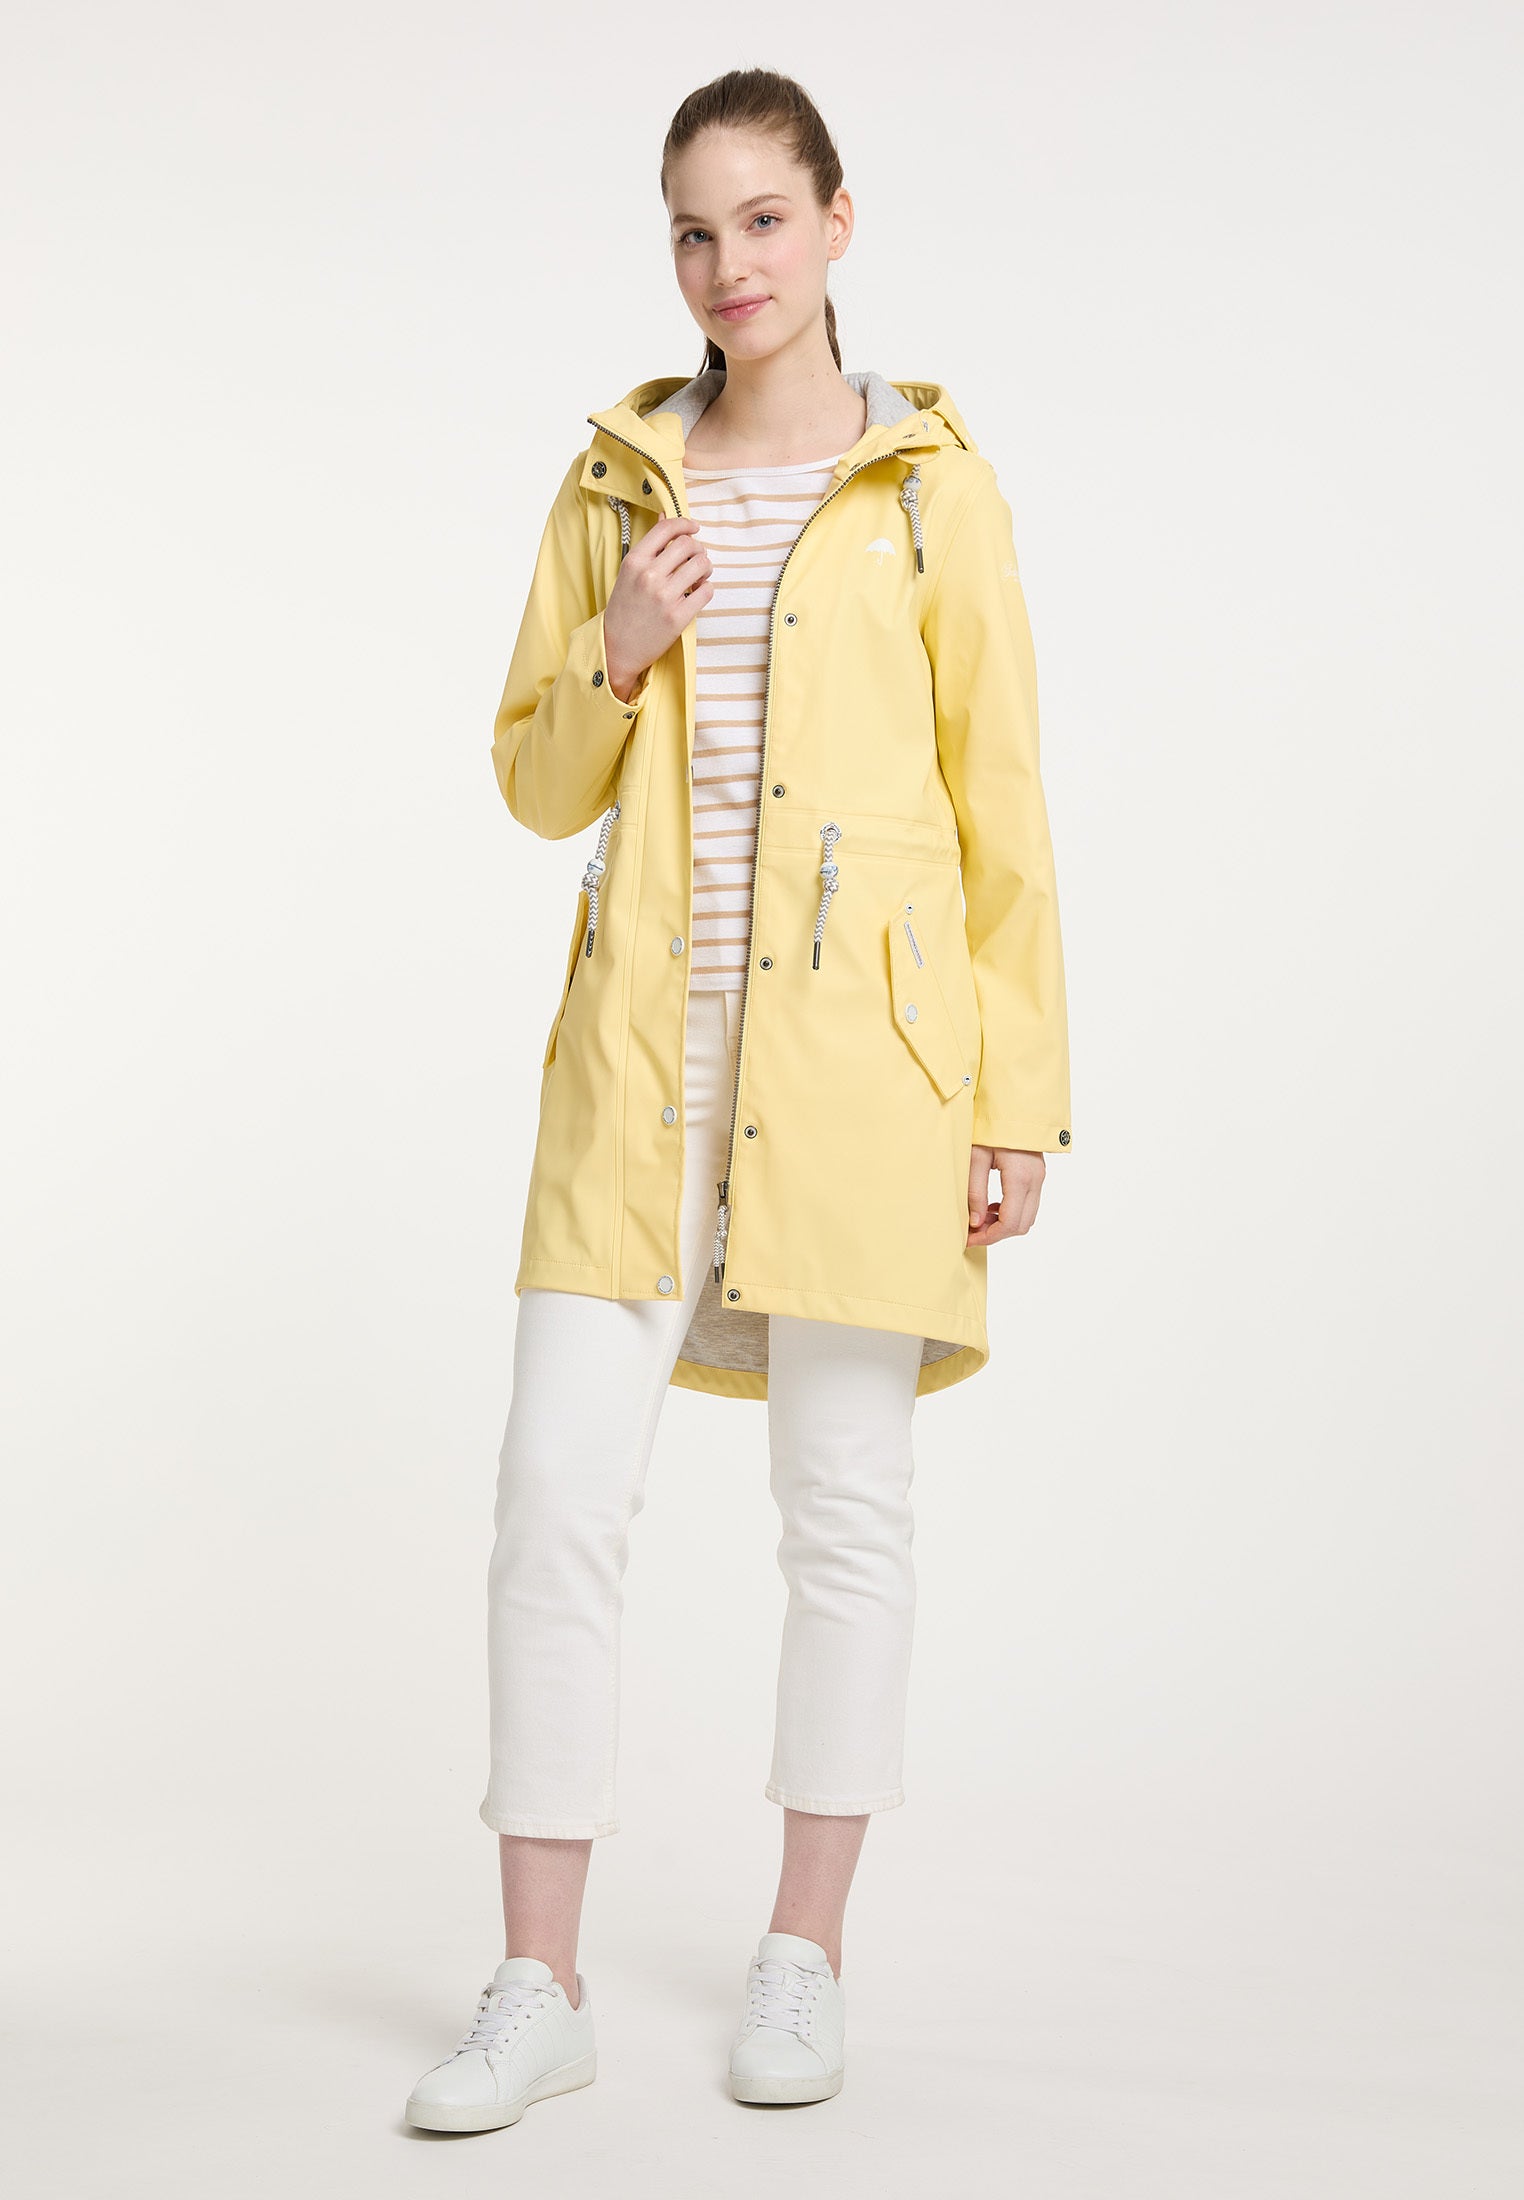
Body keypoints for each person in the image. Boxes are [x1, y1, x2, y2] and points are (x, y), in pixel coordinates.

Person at [405, 65, 1072, 2133]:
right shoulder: (617, 482)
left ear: (838, 225)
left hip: (867, 1079)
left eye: (764, 220)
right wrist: (612, 648)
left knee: (845, 1509)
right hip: (639, 1073)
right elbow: (534, 787)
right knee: (550, 1506)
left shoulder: (933, 490)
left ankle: (807, 1952)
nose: (729, 266)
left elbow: (1003, 808)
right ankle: (539, 1982)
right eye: (695, 231)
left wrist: (1020, 1098)